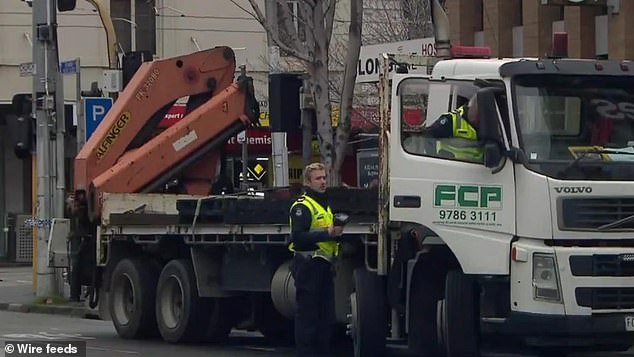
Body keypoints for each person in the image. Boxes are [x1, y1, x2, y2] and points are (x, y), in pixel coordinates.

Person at [288, 162, 344, 356]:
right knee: (307, 319)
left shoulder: (324, 205)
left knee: (325, 319)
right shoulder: (302, 207)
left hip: (324, 267)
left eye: (324, 178)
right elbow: (298, 237)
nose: (323, 182)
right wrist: (327, 233)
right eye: (318, 178)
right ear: (308, 182)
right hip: (308, 265)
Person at [425, 94, 484, 162]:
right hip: (450, 165)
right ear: (470, 107)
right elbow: (428, 135)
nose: (478, 115)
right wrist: (433, 159)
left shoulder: (490, 124)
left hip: (478, 167)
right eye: (477, 110)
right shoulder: (452, 120)